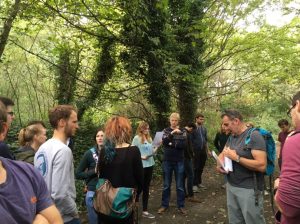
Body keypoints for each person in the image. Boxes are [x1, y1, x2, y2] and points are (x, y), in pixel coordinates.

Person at [0, 101, 63, 224]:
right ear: (35, 137)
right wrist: (42, 219)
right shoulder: (29, 160)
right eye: (44, 134)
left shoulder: (27, 171)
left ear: (2, 130)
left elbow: (55, 219)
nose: (46, 137)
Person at [217, 109, 267, 224]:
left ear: (236, 121)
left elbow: (262, 165)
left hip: (249, 189)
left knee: (253, 221)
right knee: (235, 221)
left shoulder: (254, 136)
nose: (224, 128)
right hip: (231, 186)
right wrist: (219, 162)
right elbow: (224, 153)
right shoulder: (232, 136)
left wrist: (237, 158)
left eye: (226, 124)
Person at [34, 105, 80, 224]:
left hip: (45, 215)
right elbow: (60, 194)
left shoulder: (41, 149)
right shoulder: (63, 151)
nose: (77, 126)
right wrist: (74, 211)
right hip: (64, 218)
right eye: (74, 122)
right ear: (62, 122)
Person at [97, 116, 143, 224]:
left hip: (105, 206)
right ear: (125, 131)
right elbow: (140, 179)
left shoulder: (104, 151)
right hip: (125, 204)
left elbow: (100, 176)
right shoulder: (133, 151)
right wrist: (136, 198)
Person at [274, 91, 300, 224]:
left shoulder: (294, 138)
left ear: (298, 106)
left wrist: (277, 188)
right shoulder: (282, 135)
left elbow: (288, 207)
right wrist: (279, 155)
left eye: (291, 110)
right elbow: (279, 144)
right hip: (285, 158)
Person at [158, 113, 187, 215]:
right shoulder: (165, 131)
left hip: (179, 161)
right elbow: (164, 142)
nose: (174, 122)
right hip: (167, 161)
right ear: (169, 120)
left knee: (179, 185)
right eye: (172, 120)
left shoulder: (183, 131)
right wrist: (173, 133)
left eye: (176, 120)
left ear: (178, 121)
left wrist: (171, 143)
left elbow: (184, 145)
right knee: (166, 185)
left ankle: (181, 206)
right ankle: (164, 205)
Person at [76, 128, 104, 224]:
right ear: (95, 139)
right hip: (93, 191)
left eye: (102, 135)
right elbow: (78, 174)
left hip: (108, 191)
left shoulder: (111, 152)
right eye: (97, 136)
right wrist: (94, 171)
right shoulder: (89, 153)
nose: (100, 138)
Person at [132, 121, 156, 219]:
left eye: (148, 128)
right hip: (141, 166)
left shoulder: (150, 138)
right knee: (139, 187)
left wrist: (157, 146)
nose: (147, 130)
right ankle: (133, 206)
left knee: (146, 188)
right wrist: (141, 157)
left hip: (150, 165)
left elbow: (152, 151)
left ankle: (145, 211)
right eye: (145, 128)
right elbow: (132, 152)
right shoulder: (136, 138)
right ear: (141, 129)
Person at [183, 122, 201, 202]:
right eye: (193, 130)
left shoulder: (182, 131)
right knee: (191, 175)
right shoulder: (186, 133)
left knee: (183, 176)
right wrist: (191, 156)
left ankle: (184, 194)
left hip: (183, 158)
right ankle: (191, 195)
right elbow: (187, 147)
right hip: (186, 158)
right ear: (191, 128)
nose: (192, 132)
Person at [192, 113, 209, 192]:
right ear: (196, 119)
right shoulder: (193, 128)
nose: (202, 120)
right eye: (200, 119)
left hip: (203, 151)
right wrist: (192, 151)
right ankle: (194, 184)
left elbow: (205, 141)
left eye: (203, 119)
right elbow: (190, 141)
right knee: (195, 167)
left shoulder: (204, 129)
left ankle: (199, 182)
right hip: (195, 150)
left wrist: (207, 150)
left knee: (201, 167)